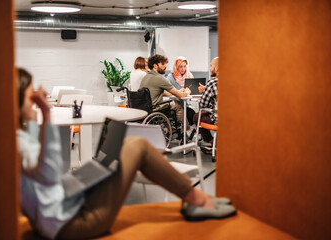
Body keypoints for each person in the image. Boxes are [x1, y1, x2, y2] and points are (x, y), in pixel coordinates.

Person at [17, 68, 235, 239]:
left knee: (127, 145)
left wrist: (81, 178)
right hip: (72, 223)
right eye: (30, 97)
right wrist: (45, 113)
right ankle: (197, 200)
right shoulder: (18, 144)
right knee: (137, 146)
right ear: (15, 103)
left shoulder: (18, 136)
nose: (36, 101)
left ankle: (195, 199)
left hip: (68, 206)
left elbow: (46, 181)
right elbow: (50, 171)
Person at [139, 54, 191, 126]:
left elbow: (163, 93)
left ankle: (170, 128)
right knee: (177, 104)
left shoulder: (146, 77)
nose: (165, 66)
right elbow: (180, 96)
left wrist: (178, 91)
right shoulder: (159, 78)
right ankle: (185, 129)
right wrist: (186, 92)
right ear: (155, 66)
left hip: (145, 108)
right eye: (162, 64)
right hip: (155, 109)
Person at [193, 57, 219, 147]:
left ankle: (211, 140)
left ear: (217, 68)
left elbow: (203, 104)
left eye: (211, 66)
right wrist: (207, 90)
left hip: (217, 120)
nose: (210, 68)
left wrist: (206, 91)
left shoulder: (212, 83)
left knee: (197, 116)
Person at [167, 56, 196, 126]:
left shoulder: (189, 76)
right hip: (175, 104)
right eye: (180, 67)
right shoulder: (171, 77)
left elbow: (193, 91)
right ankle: (185, 132)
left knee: (192, 114)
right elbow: (168, 92)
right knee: (189, 114)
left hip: (186, 104)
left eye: (184, 66)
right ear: (176, 66)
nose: (183, 69)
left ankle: (188, 132)